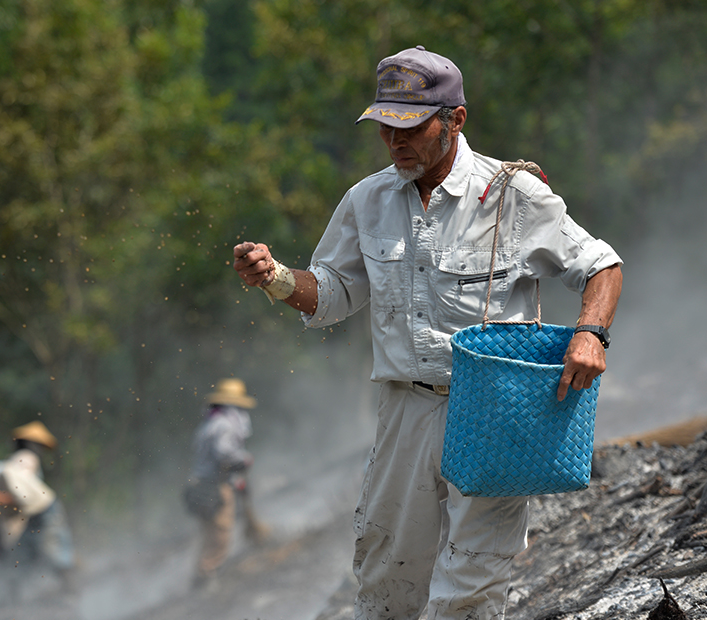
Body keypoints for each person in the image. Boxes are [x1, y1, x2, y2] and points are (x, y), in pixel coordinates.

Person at [232, 45, 623, 619]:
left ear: (455, 119)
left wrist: (591, 335)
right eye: (385, 128)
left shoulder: (512, 195)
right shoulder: (367, 200)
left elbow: (601, 265)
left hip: (494, 410)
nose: (395, 142)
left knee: (468, 588)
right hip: (404, 413)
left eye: (411, 127)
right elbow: (336, 292)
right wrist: (278, 279)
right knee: (387, 575)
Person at [0, 439, 76, 604]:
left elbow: (24, 499)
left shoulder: (6, 472)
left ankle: (72, 587)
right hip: (32, 518)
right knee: (17, 557)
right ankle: (11, 603)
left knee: (53, 551)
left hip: (46, 512)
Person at [183, 378, 268, 589]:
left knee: (209, 533)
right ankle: (206, 577)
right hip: (216, 486)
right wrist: (244, 459)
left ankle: (201, 572)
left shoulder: (210, 423)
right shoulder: (225, 425)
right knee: (221, 534)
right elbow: (224, 455)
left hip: (202, 484)